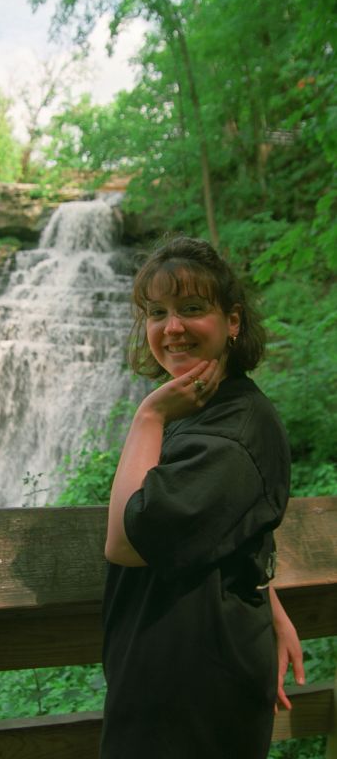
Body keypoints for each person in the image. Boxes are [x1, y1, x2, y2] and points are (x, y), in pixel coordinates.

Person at [100, 236, 304, 759]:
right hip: (177, 671)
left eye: (192, 309)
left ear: (232, 321)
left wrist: (148, 415)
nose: (171, 328)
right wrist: (266, 596)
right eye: (157, 312)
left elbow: (128, 543)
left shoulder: (225, 430)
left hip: (191, 692)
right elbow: (229, 527)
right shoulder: (212, 411)